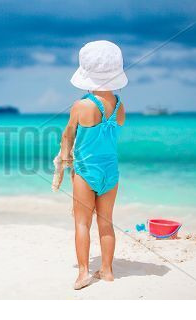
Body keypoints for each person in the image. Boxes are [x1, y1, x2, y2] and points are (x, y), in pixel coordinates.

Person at [53, 40, 128, 290]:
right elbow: (110, 133)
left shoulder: (81, 106)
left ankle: (83, 273)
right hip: (111, 173)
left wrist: (63, 162)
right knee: (106, 223)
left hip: (86, 172)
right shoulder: (119, 107)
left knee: (82, 222)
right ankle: (107, 270)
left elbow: (67, 135)